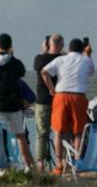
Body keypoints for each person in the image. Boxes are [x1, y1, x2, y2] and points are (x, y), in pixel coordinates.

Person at [41, 38, 94, 175]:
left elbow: (44, 72)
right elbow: (91, 72)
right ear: (82, 49)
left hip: (61, 95)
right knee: (78, 132)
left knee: (58, 131)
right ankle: (77, 162)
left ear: (69, 48)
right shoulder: (86, 59)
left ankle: (59, 164)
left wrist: (51, 88)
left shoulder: (61, 59)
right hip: (78, 96)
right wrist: (88, 55)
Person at [0, 33, 34, 170]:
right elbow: (21, 72)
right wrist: (11, 56)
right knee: (20, 136)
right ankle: (29, 165)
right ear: (10, 47)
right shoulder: (15, 63)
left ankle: (1, 166)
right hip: (14, 105)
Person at [32, 34, 64, 169]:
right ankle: (60, 161)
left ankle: (40, 163)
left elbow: (39, 67)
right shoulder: (64, 59)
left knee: (41, 133)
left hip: (43, 100)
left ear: (48, 44)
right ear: (62, 45)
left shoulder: (40, 59)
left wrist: (44, 51)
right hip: (59, 99)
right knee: (60, 131)